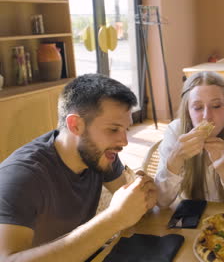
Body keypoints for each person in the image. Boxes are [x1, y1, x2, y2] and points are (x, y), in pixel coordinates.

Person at [0, 74, 157, 261]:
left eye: (126, 130)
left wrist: (143, 198)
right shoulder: (20, 177)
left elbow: (133, 208)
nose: (123, 142)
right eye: (114, 129)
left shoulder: (102, 155)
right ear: (75, 125)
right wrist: (113, 219)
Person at [155, 71, 224, 208]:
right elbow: (161, 201)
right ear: (188, 112)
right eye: (197, 108)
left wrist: (223, 168)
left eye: (216, 106)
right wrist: (175, 159)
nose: (207, 116)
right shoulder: (175, 132)